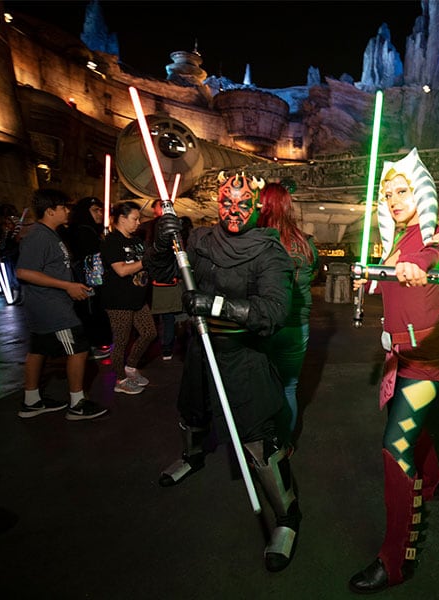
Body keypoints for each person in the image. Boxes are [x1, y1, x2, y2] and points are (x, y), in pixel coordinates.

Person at [148, 171, 301, 572]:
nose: (233, 211)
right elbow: (162, 272)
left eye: (243, 204)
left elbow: (273, 313)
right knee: (192, 412)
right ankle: (192, 457)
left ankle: (286, 517)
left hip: (242, 354)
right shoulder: (199, 239)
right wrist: (162, 242)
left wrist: (215, 305)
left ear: (258, 208)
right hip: (201, 346)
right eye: (226, 203)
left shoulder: (271, 253)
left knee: (258, 442)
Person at [349, 148, 439, 593]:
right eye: (389, 194)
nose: (396, 200)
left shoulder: (437, 238)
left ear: (423, 192)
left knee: (395, 445)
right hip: (398, 357)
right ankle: (432, 480)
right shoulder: (396, 242)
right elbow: (392, 279)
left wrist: (423, 263)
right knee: (407, 428)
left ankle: (395, 559)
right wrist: (373, 277)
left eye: (404, 191)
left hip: (427, 361)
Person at [14, 189, 108, 421]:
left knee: (38, 350)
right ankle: (77, 404)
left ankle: (32, 400)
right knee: (79, 349)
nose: (68, 211)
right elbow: (23, 271)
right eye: (64, 207)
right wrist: (65, 286)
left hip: (46, 305)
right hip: (51, 306)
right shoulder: (40, 236)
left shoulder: (51, 234)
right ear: (50, 211)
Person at [256, 182, 319, 435]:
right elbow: (312, 274)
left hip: (264, 324)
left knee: (261, 387)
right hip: (296, 323)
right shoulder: (306, 243)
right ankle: (285, 443)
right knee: (289, 386)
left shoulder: (256, 240)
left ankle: (263, 443)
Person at [100, 201, 157, 395]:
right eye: (134, 219)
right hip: (118, 301)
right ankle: (120, 380)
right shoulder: (112, 241)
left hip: (138, 299)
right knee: (122, 340)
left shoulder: (136, 240)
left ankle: (131, 368)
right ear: (121, 219)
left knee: (149, 332)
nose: (138, 223)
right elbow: (122, 270)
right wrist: (146, 261)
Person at [61, 196, 112, 359]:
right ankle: (91, 345)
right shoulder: (83, 230)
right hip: (86, 281)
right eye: (95, 210)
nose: (99, 213)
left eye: (100, 210)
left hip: (93, 280)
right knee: (89, 312)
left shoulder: (91, 229)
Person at [143, 201, 191, 362]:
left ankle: (172, 348)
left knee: (175, 319)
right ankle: (168, 348)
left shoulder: (175, 240)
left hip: (170, 284)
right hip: (165, 284)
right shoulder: (156, 245)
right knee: (170, 320)